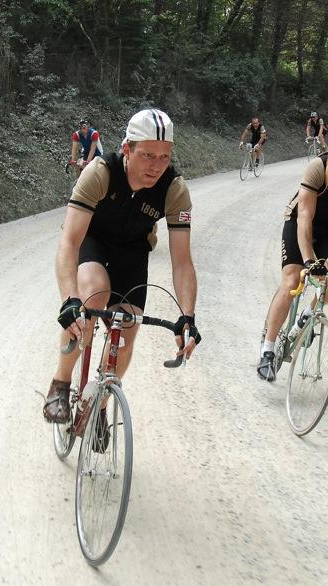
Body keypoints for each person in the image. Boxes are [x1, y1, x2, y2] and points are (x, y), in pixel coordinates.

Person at [44, 108, 202, 427]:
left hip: (133, 249)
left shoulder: (174, 190)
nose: (156, 166)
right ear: (127, 149)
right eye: (147, 155)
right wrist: (69, 300)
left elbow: (182, 262)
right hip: (92, 238)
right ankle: (60, 383)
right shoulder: (101, 172)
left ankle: (99, 406)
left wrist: (187, 316)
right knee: (93, 298)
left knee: (127, 330)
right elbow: (69, 242)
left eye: (164, 156)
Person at [257, 135, 328, 381]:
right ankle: (267, 349)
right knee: (291, 281)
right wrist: (310, 260)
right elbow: (304, 216)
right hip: (298, 222)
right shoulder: (320, 167)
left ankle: (307, 316)